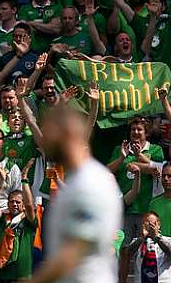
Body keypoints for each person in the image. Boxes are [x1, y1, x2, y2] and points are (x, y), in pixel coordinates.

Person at [29, 104, 122, 283]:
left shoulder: (90, 182)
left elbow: (76, 250)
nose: (45, 138)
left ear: (68, 133)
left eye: (49, 130)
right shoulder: (75, 182)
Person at [123, 211, 171, 283]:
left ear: (158, 225)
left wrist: (157, 237)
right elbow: (128, 254)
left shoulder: (170, 240)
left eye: (152, 224)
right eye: (146, 224)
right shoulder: (137, 241)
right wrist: (141, 238)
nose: (149, 227)